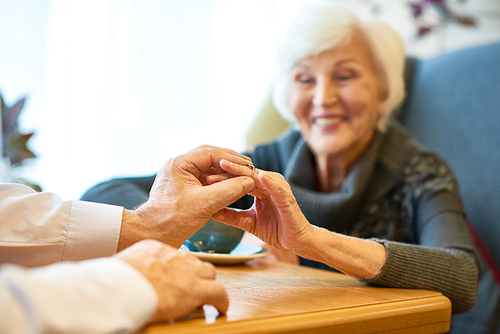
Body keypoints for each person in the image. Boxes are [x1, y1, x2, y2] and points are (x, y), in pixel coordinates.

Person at [81, 4, 479, 315]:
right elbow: (103, 192)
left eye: (344, 76)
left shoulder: (420, 173)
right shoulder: (267, 162)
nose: (323, 98)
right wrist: (184, 216)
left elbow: (462, 278)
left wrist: (310, 241)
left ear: (383, 90)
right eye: (305, 79)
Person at [0, 145, 256, 333]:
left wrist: (147, 229)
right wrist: (144, 237)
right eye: (298, 78)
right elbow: (104, 190)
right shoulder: (268, 155)